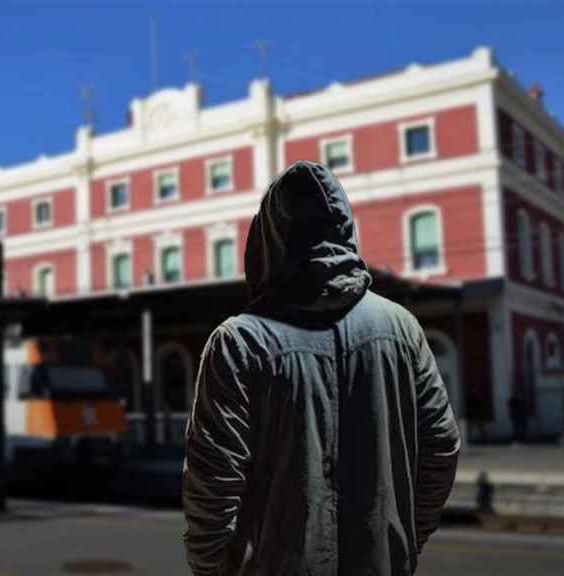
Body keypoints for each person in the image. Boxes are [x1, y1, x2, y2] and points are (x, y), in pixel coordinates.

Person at [183, 161, 461, 576]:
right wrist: (399, 543)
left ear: (270, 239)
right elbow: (441, 448)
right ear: (346, 229)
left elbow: (212, 487)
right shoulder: (402, 329)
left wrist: (214, 572)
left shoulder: (239, 342)